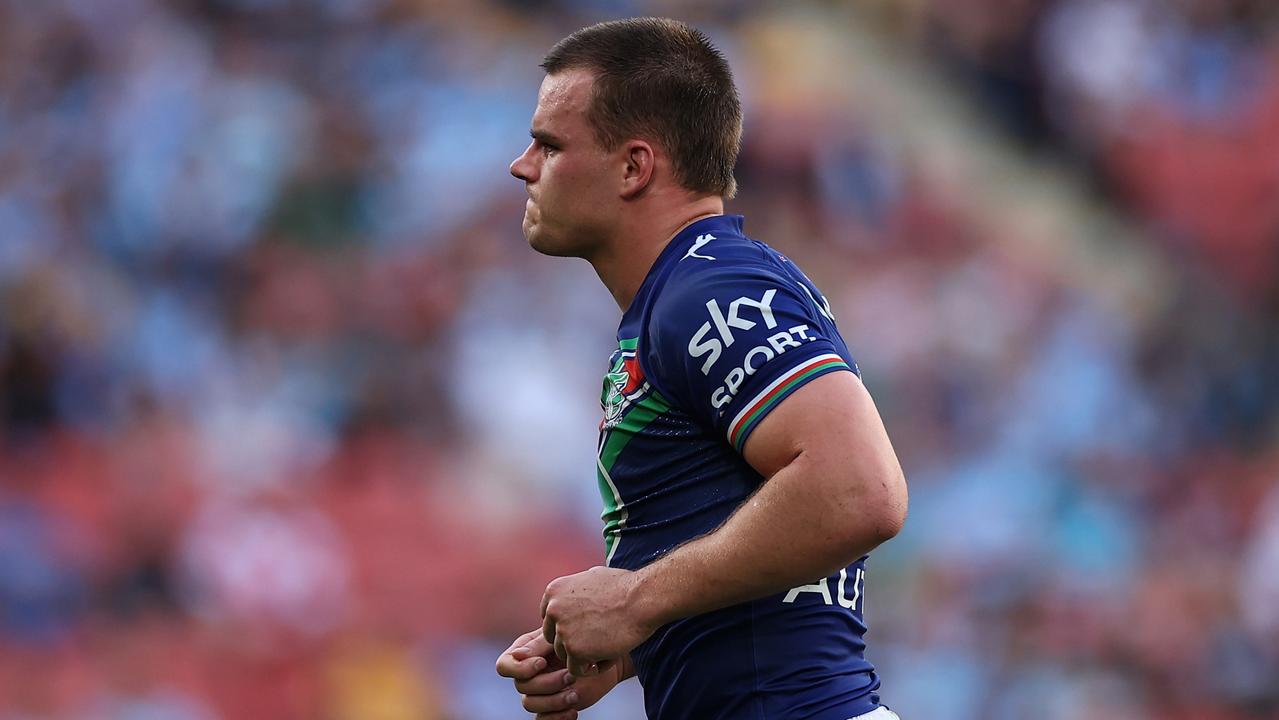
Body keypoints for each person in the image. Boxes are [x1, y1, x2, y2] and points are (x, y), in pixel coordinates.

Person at [495, 17, 908, 720]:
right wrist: (639, 644)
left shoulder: (709, 293)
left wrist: (633, 601)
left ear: (633, 166)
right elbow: (755, 527)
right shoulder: (690, 292)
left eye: (550, 144)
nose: (522, 164)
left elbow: (859, 491)